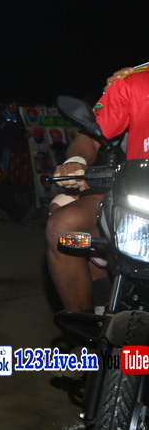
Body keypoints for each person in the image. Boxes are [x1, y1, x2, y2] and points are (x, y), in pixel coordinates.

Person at [47, 66, 149, 312]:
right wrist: (77, 161)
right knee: (62, 224)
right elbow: (89, 138)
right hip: (138, 198)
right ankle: (86, 325)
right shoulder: (133, 82)